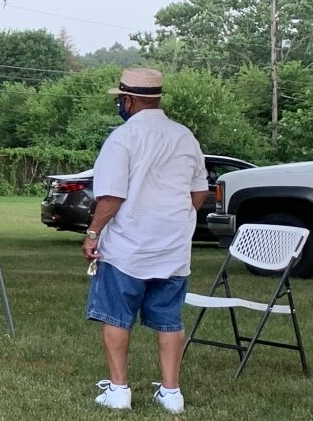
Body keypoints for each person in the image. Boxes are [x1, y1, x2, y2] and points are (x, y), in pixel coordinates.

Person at [82, 68, 205, 414]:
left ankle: (119, 389)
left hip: (127, 245)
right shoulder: (185, 137)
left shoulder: (122, 138)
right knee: (169, 318)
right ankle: (171, 393)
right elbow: (199, 192)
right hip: (173, 245)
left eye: (120, 99)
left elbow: (110, 199)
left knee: (117, 316)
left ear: (129, 100)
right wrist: (172, 219)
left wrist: (92, 233)